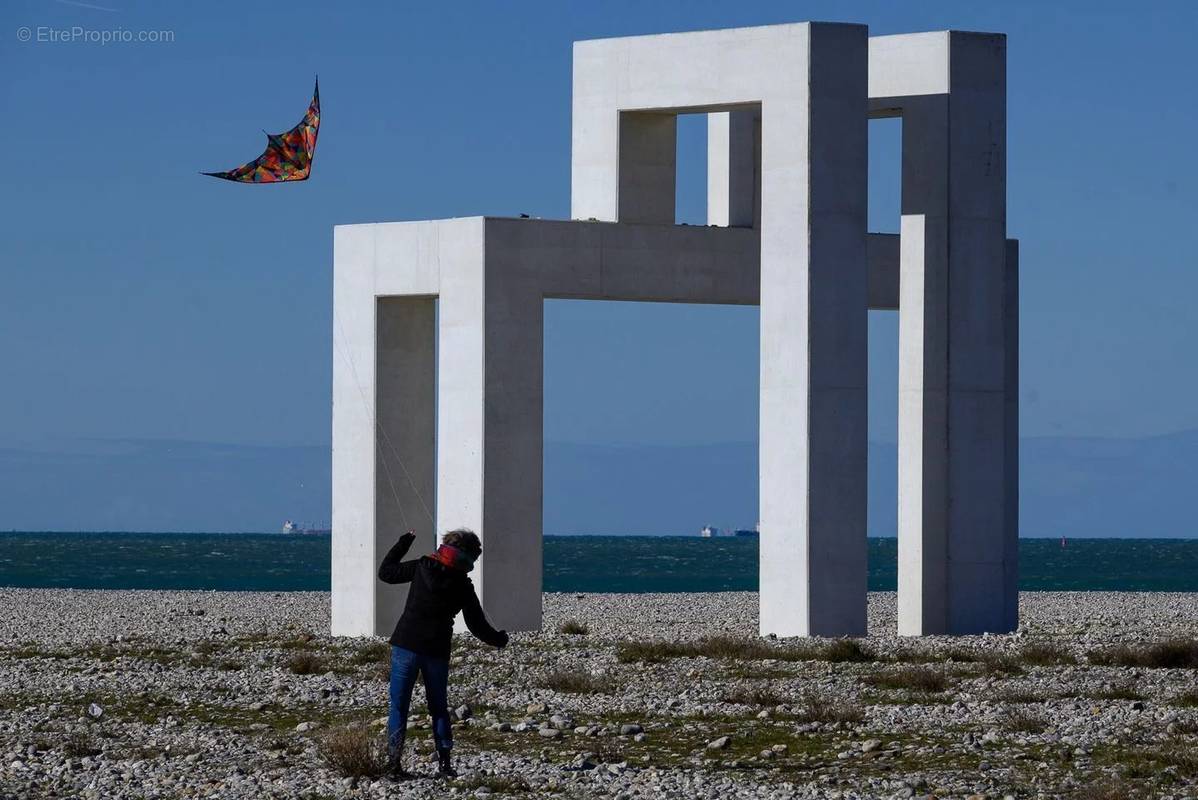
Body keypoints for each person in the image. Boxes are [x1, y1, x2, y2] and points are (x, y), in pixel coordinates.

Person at [377, 527, 509, 778]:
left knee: (398, 707)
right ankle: (445, 765)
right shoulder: (463, 585)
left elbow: (386, 573)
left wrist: (404, 541)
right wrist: (499, 639)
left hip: (406, 643)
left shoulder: (423, 566)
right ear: (468, 558)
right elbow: (477, 625)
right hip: (436, 651)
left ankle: (393, 765)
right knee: (438, 708)